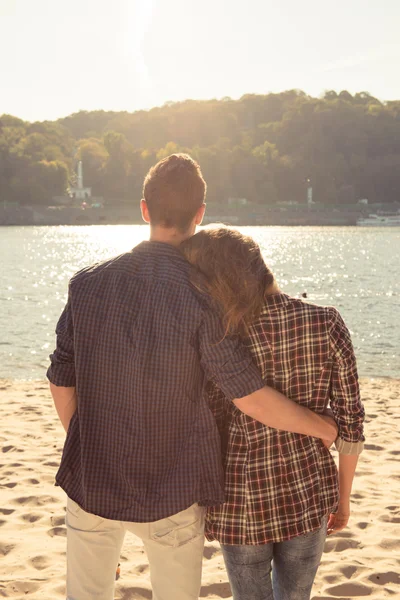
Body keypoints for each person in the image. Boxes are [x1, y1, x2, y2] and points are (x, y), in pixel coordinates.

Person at [47, 155, 337, 600]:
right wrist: (321, 427)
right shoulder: (203, 293)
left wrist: (88, 443)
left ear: (144, 209)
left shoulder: (86, 284)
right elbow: (248, 394)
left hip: (92, 481)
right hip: (174, 489)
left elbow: (61, 378)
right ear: (200, 216)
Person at [181, 227, 365, 600]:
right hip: (309, 493)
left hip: (240, 502)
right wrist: (342, 499)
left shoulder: (221, 336)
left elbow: (208, 425)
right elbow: (351, 422)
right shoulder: (325, 321)